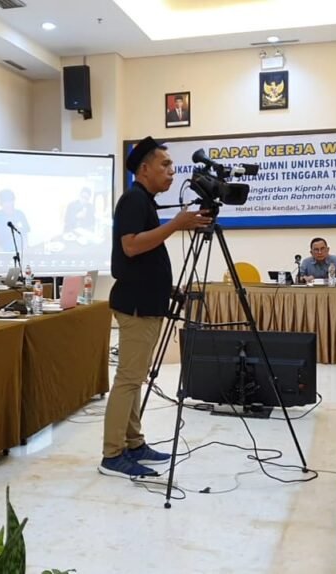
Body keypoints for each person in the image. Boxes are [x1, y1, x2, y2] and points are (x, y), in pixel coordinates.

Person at [100, 136, 212, 479]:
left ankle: (134, 443)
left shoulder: (144, 201)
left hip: (147, 303)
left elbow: (145, 256)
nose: (172, 171)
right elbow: (131, 247)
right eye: (164, 164)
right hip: (135, 307)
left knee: (134, 380)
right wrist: (176, 224)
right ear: (144, 169)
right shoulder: (134, 200)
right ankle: (113, 454)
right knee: (128, 380)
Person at [0, 189, 30, 254]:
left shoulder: (20, 214)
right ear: (1, 203)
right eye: (6, 201)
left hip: (20, 252)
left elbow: (25, 233)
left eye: (11, 201)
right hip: (2, 252)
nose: (9, 204)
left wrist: (25, 248)